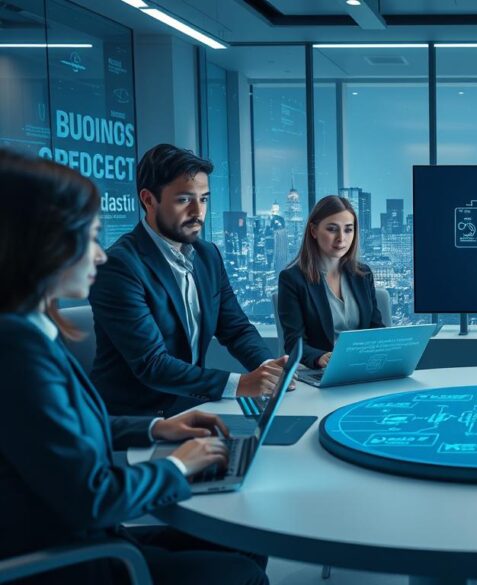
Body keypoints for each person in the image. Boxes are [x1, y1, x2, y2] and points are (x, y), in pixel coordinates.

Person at [0, 149, 268, 585]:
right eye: (88, 237)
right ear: (39, 244)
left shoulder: (31, 332)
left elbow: (62, 430)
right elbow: (94, 499)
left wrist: (157, 429)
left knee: (248, 538)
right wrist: (179, 465)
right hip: (78, 561)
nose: (98, 255)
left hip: (96, 535)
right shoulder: (17, 353)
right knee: (241, 573)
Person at [90, 144, 284, 417]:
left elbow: (236, 329)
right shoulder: (119, 266)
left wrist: (268, 368)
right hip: (138, 419)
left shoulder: (208, 255)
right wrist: (241, 384)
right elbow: (152, 365)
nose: (198, 212)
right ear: (148, 200)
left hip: (194, 406)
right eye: (184, 200)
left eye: (203, 199)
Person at [277, 195, 384, 370]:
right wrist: (319, 357)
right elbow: (294, 343)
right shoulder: (292, 279)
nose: (341, 238)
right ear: (313, 231)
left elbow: (376, 328)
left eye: (348, 230)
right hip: (321, 371)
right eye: (332, 229)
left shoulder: (363, 274)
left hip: (363, 367)